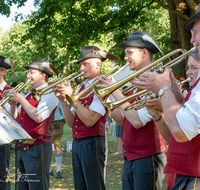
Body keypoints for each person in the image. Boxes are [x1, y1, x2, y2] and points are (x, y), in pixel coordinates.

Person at [130, 6, 200, 188]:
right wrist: (172, 88)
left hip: (192, 174)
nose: (192, 39)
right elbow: (184, 115)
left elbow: (181, 130)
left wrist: (164, 88)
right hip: (180, 170)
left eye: (195, 32)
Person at [97, 32, 167, 190]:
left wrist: (114, 90)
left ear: (144, 53)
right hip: (131, 157)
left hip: (148, 157)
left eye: (129, 52)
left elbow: (136, 121)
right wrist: (105, 100)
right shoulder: (134, 82)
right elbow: (123, 119)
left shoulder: (156, 81)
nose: (126, 57)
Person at [55, 46, 119, 190]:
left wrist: (72, 97)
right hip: (78, 143)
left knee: (94, 186)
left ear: (98, 64)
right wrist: (63, 101)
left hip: (93, 143)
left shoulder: (102, 86)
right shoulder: (80, 89)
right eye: (81, 65)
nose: (81, 68)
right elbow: (71, 122)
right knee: (80, 186)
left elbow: (90, 120)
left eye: (85, 64)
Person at [9, 59, 58, 190]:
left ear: (43, 75)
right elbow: (15, 117)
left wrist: (21, 100)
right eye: (28, 72)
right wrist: (13, 104)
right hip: (23, 146)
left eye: (31, 72)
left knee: (37, 186)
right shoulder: (30, 95)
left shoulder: (49, 93)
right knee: (22, 187)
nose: (27, 75)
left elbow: (39, 117)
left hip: (38, 147)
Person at [0, 56, 14, 190]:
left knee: (2, 177)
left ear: (3, 71)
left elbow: (12, 118)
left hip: (2, 139)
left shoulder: (9, 91)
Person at [49, 101, 65, 178]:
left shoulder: (58, 98)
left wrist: (60, 125)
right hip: (47, 122)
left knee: (57, 146)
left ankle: (58, 170)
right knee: (47, 145)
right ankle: (49, 170)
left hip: (57, 122)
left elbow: (64, 113)